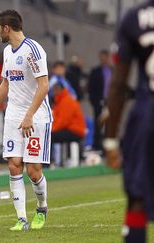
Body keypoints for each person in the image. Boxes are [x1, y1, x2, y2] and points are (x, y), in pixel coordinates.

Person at [0, 9, 52, 231]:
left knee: (33, 171)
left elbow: (43, 85)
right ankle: (21, 219)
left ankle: (42, 207)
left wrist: (29, 115)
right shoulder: (7, 52)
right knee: (14, 165)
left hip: (36, 116)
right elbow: (5, 83)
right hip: (13, 115)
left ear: (7, 28)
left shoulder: (33, 50)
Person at [104, 1, 154, 242]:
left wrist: (111, 141)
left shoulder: (134, 18)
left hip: (148, 113)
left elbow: (118, 85)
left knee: (137, 198)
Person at [50, 82, 86, 166]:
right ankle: (54, 161)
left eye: (55, 90)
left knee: (50, 137)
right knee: (50, 135)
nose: (53, 93)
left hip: (76, 131)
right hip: (69, 129)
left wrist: (52, 130)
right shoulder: (60, 101)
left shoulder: (67, 101)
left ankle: (48, 163)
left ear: (59, 90)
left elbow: (63, 121)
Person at [88, 49, 112, 151]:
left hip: (110, 102)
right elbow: (91, 87)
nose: (103, 60)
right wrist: (94, 101)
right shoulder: (95, 71)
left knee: (110, 123)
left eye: (104, 58)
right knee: (98, 123)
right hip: (99, 101)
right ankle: (97, 145)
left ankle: (109, 145)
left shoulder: (112, 71)